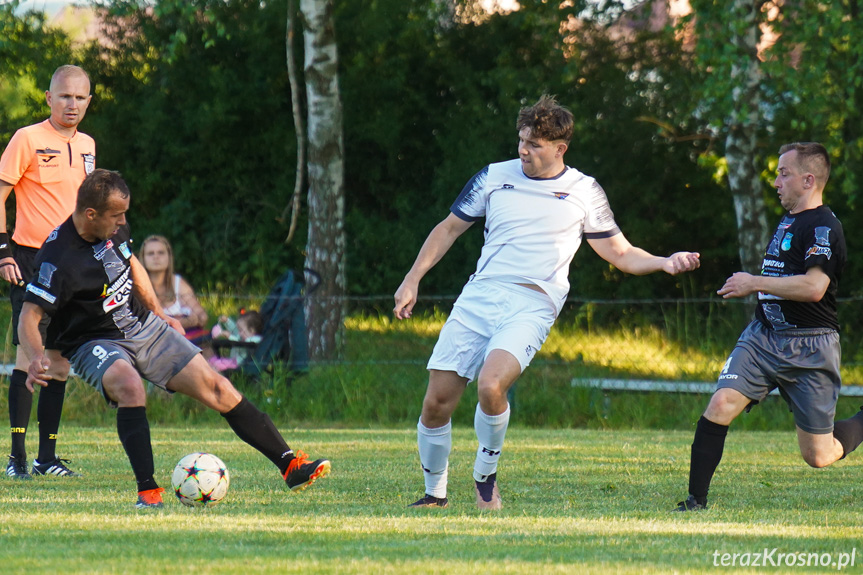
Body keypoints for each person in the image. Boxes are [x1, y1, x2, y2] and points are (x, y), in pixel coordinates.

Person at [393, 95, 701, 510]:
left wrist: (665, 262)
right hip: (480, 297)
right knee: (436, 404)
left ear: (561, 148)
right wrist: (413, 279)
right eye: (522, 140)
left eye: (535, 144)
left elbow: (621, 254)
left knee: (490, 385)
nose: (524, 150)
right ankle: (435, 495)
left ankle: (485, 478)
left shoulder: (583, 190)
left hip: (533, 303)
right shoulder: (493, 176)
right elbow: (448, 229)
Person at [20, 169, 330, 508]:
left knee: (218, 388)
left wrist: (159, 311)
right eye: (116, 215)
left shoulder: (115, 227)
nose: (124, 221)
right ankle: (148, 492)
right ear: (90, 214)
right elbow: (29, 316)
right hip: (93, 341)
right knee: (130, 386)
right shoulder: (57, 259)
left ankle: (290, 466)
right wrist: (37, 356)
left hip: (143, 326)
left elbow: (131, 263)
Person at [674, 142, 863, 511]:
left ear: (808, 180)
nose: (775, 180)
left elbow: (813, 288)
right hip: (763, 337)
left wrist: (754, 282)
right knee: (721, 403)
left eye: (783, 173)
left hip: (810, 347)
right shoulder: (790, 218)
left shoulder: (825, 227)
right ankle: (695, 501)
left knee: (819, 456)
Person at [0, 64, 96, 479]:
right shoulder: (27, 138)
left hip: (72, 264)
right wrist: (2, 250)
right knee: (29, 354)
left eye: (80, 97)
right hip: (29, 259)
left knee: (59, 362)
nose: (71, 104)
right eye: (64, 97)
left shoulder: (89, 144)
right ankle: (16, 458)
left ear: (88, 101)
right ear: (48, 98)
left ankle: (46, 459)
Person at [138, 235, 209, 346]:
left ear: (169, 257)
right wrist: (182, 321)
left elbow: (201, 316)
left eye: (161, 253)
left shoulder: (178, 283)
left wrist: (166, 324)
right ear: (143, 258)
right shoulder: (136, 285)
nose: (156, 257)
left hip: (182, 341)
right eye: (150, 253)